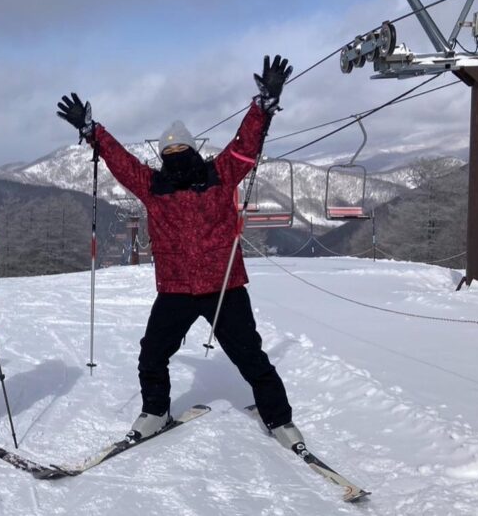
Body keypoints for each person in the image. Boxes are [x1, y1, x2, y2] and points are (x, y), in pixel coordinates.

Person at [56, 56, 304, 449]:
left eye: (181, 152)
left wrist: (263, 104)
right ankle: (156, 410)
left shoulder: (220, 175)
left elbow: (246, 145)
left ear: (193, 151)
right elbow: (120, 163)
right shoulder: (154, 186)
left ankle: (279, 418)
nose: (176, 160)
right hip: (175, 291)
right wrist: (92, 131)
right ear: (162, 158)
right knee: (152, 354)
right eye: (168, 154)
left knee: (250, 357)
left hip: (223, 287)